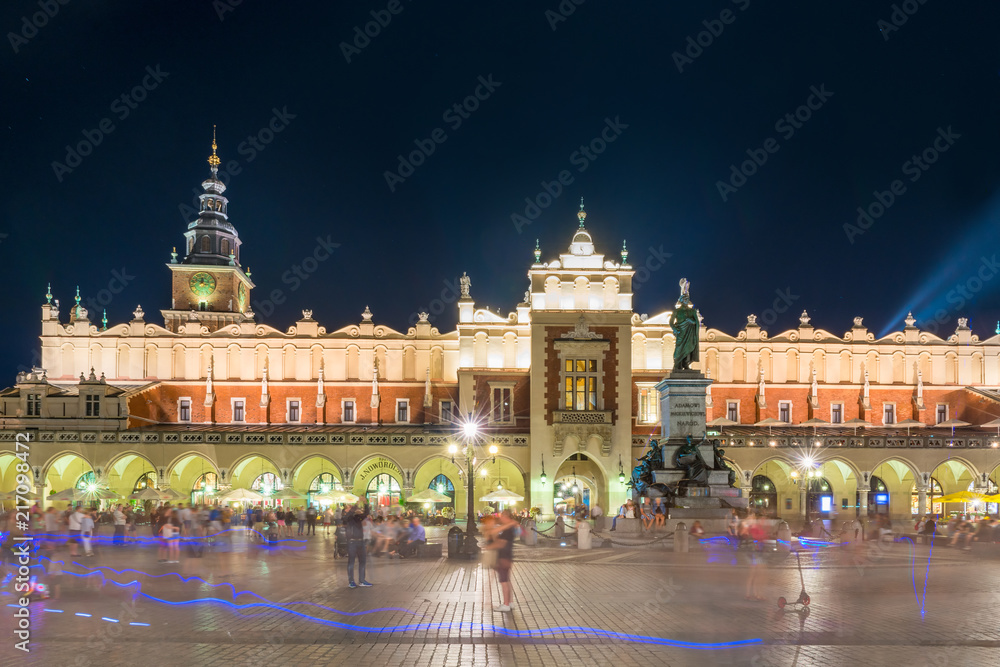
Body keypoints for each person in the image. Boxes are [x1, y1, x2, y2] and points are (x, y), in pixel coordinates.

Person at [491, 510, 519, 612]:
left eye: (501, 516)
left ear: (505, 516)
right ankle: (510, 602)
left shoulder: (508, 529)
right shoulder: (510, 528)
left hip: (503, 557)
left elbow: (501, 543)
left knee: (504, 581)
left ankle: (506, 604)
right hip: (507, 556)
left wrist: (489, 547)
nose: (500, 518)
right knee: (507, 580)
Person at [344, 500, 373, 588]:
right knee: (351, 562)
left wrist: (365, 503)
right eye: (358, 510)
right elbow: (347, 517)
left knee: (362, 561)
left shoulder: (359, 518)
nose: (359, 511)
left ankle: (362, 580)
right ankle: (351, 581)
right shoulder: (349, 518)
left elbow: (366, 513)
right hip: (352, 542)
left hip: (361, 541)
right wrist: (355, 506)